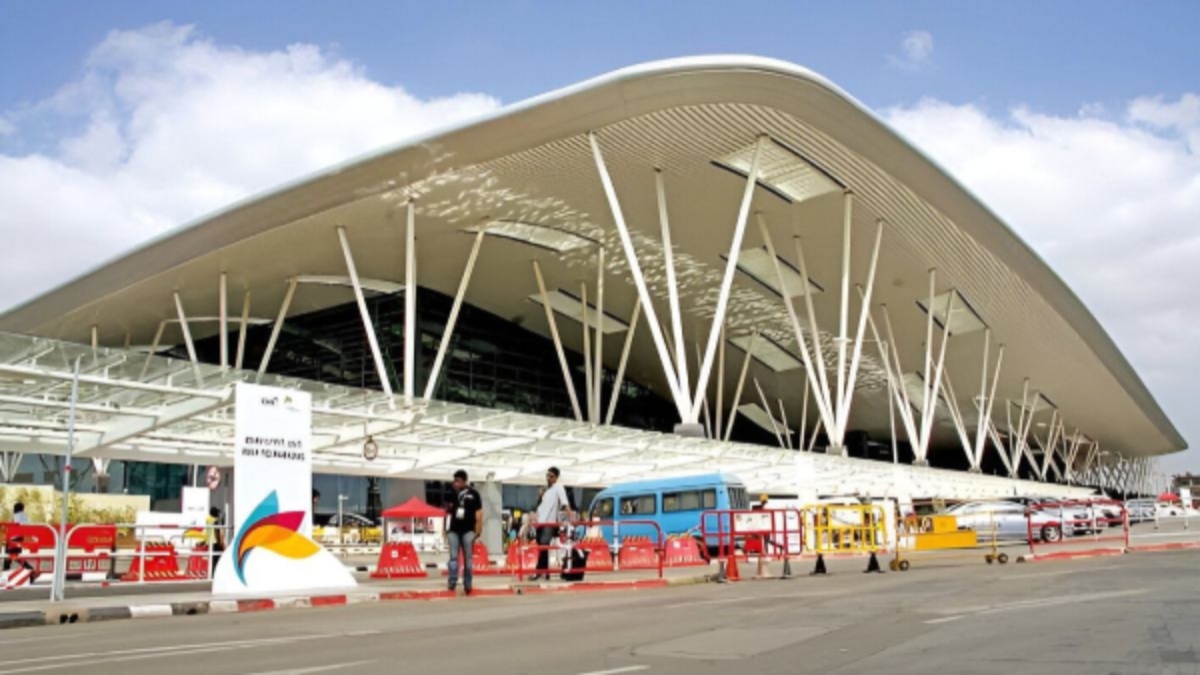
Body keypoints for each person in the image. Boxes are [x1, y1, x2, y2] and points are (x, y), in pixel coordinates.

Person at [532, 467, 574, 580]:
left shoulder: (558, 487)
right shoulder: (546, 491)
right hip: (540, 522)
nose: (548, 478)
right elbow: (541, 507)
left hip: (549, 523)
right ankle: (545, 573)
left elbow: (564, 502)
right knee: (542, 548)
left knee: (544, 546)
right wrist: (535, 517)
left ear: (556, 477)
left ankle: (539, 572)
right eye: (547, 475)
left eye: (551, 476)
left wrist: (570, 515)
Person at [445, 469, 483, 595]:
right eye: (454, 480)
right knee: (453, 557)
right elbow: (447, 512)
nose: (455, 483)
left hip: (468, 531)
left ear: (465, 481)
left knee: (468, 559)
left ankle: (468, 583)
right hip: (454, 530)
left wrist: (478, 530)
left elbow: (479, 513)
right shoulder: (451, 493)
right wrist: (445, 530)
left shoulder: (474, 494)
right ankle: (452, 581)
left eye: (458, 481)